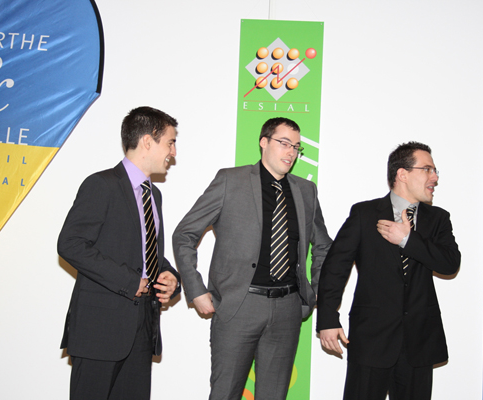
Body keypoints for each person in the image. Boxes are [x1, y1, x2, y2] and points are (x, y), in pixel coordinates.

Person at [173, 117, 332, 400]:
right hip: (239, 306)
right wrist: (195, 290)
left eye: (296, 147)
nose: (291, 152)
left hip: (287, 309)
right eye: (284, 143)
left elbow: (323, 246)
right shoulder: (229, 181)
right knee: (226, 393)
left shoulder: (306, 191)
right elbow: (184, 234)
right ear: (263, 142)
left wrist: (317, 291)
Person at [317, 141, 461, 400]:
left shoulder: (438, 218)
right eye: (427, 169)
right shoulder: (364, 213)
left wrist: (407, 239)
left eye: (435, 170)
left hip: (419, 341)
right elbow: (335, 268)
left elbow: (450, 263)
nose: (435, 178)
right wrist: (327, 319)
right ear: (402, 174)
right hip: (371, 338)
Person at [58, 106, 182, 400]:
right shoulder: (101, 185)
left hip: (142, 330)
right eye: (170, 142)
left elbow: (148, 253)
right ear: (148, 141)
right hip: (99, 330)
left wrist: (170, 277)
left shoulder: (154, 195)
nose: (173, 152)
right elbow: (71, 244)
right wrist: (129, 281)